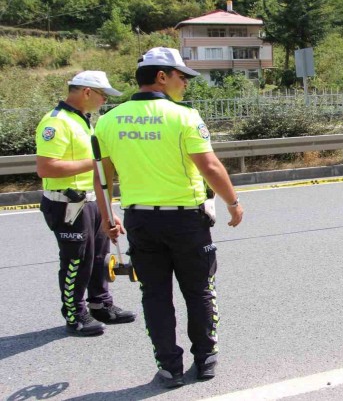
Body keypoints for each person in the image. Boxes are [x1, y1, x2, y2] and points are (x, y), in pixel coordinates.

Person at [93, 47, 244, 389]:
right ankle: (205, 359)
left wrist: (107, 216)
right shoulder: (184, 116)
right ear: (162, 76)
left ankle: (169, 368)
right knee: (199, 291)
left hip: (140, 221)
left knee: (155, 296)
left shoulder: (108, 120)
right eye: (181, 76)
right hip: (186, 221)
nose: (185, 84)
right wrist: (233, 202)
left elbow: (101, 178)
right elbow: (209, 166)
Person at [35, 71, 136, 337]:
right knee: (76, 260)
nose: (105, 100)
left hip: (89, 200)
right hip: (66, 204)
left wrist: (108, 211)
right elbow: (46, 168)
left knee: (100, 257)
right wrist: (95, 163)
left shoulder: (83, 120)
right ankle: (75, 314)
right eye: (103, 95)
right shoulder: (56, 122)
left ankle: (100, 304)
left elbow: (94, 174)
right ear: (87, 92)